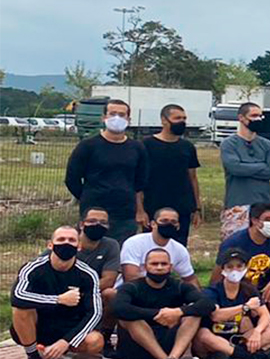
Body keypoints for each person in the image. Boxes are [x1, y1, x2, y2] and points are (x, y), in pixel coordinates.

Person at [11, 225, 105, 359]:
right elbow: (17, 296)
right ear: (50, 245)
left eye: (71, 240)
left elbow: (95, 313)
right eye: (61, 240)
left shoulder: (88, 274)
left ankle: (59, 355)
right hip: (37, 325)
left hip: (68, 327)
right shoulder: (33, 268)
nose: (66, 243)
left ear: (79, 246)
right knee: (20, 310)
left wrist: (66, 342)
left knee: (96, 341)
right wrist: (58, 299)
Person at [112, 247, 214, 359]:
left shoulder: (179, 286)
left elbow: (207, 304)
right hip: (136, 352)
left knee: (193, 315)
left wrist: (178, 312)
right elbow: (118, 308)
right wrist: (157, 314)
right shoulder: (131, 287)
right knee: (129, 319)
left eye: (164, 264)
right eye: (154, 264)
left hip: (170, 345)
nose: (159, 268)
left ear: (170, 267)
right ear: (145, 267)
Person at [64, 98, 148, 242]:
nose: (117, 118)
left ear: (129, 119)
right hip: (93, 212)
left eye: (122, 115)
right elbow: (72, 178)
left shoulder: (137, 148)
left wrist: (139, 210)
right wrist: (87, 196)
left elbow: (140, 181)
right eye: (112, 114)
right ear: (104, 117)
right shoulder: (87, 146)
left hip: (125, 214)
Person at [197, 247, 270, 359]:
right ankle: (252, 356)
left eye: (239, 266)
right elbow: (216, 316)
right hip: (213, 339)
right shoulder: (212, 291)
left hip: (238, 339)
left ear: (245, 268)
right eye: (230, 267)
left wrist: (257, 331)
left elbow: (265, 315)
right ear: (223, 269)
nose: (234, 271)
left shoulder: (249, 289)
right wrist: (245, 307)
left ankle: (231, 356)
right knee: (203, 334)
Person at [220, 203, 270, 320]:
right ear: (254, 220)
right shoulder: (234, 242)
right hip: (241, 291)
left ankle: (263, 318)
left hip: (265, 290)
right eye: (268, 219)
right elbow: (218, 275)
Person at [141, 104, 201, 245]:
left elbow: (192, 177)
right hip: (153, 205)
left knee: (178, 245)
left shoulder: (187, 147)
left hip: (182, 207)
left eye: (184, 118)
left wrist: (196, 207)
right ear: (164, 120)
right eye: (177, 118)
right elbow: (139, 179)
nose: (182, 122)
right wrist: (140, 209)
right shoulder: (146, 145)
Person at [219, 102, 270, 237]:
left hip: (264, 204)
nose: (258, 119)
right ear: (241, 118)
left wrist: (245, 165)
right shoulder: (228, 144)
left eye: (260, 116)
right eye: (254, 116)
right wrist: (262, 165)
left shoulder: (267, 145)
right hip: (237, 204)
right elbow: (235, 169)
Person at [72, 210, 121, 355]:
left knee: (113, 295)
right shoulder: (68, 242)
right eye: (92, 221)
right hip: (65, 294)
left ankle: (104, 338)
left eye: (103, 222)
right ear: (82, 224)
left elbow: (109, 280)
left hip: (93, 294)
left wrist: (83, 292)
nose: (97, 225)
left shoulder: (111, 245)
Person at [120, 208, 198, 285]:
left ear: (178, 226)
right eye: (164, 221)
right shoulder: (134, 243)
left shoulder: (179, 250)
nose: (169, 224)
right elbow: (131, 277)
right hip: (133, 291)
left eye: (173, 222)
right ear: (153, 224)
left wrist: (198, 296)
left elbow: (190, 279)